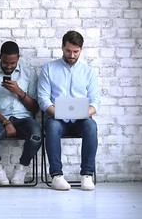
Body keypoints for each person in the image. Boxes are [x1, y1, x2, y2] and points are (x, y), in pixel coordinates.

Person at [37, 30, 100, 191]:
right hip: (57, 118)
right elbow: (43, 98)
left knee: (91, 126)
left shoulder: (88, 72)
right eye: (68, 51)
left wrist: (86, 112)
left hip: (81, 119)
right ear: (62, 47)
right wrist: (56, 112)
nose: (71, 55)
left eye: (75, 51)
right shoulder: (49, 69)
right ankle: (57, 176)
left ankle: (87, 174)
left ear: (81, 49)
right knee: (51, 126)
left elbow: (95, 102)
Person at [0, 41, 41, 186]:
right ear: (0, 56)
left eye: (12, 63)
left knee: (36, 136)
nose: (9, 66)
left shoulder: (29, 73)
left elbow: (35, 108)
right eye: (5, 62)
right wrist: (6, 122)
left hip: (24, 118)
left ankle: (21, 169)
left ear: (18, 58)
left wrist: (19, 92)